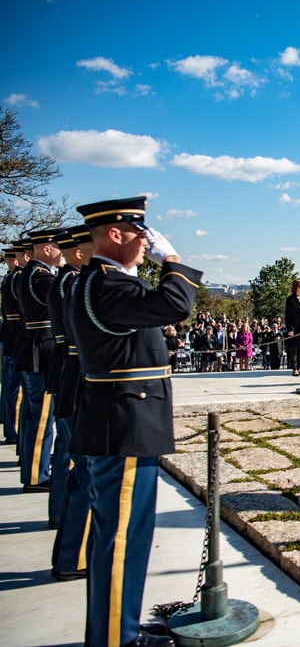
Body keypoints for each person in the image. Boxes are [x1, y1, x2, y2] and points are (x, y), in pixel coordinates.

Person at [67, 196, 201, 647]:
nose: (147, 244)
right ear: (114, 234)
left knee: (121, 535)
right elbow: (175, 304)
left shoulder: (98, 281)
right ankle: (114, 639)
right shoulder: (108, 286)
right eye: (140, 235)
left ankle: (117, 627)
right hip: (124, 423)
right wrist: (174, 261)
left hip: (120, 417)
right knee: (122, 538)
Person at [49, 225, 93, 580]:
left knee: (80, 476)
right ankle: (73, 557)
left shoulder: (69, 282)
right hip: (81, 382)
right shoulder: (78, 284)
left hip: (73, 378)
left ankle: (69, 554)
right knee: (87, 480)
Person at [16, 227, 64, 493]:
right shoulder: (40, 277)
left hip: (35, 347)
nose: (62, 253)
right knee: (42, 420)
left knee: (37, 416)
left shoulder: (31, 274)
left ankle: (35, 467)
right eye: (59, 247)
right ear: (47, 249)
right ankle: (35, 475)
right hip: (41, 351)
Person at [1, 245, 24, 445]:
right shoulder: (17, 278)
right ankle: (13, 430)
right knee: (16, 390)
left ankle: (11, 428)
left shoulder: (11, 278)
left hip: (12, 335)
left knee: (10, 386)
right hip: (18, 337)